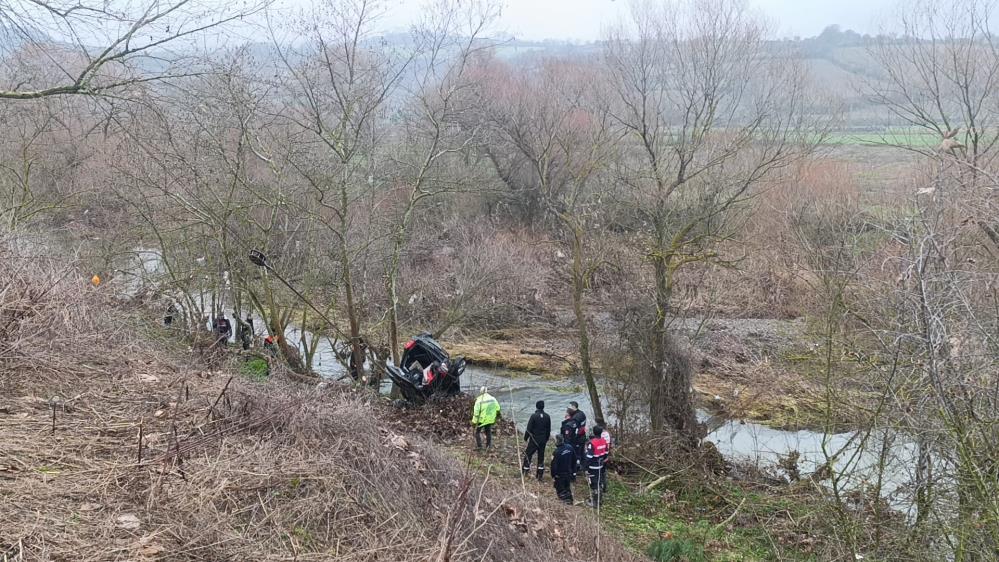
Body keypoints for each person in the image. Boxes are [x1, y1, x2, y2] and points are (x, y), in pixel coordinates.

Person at [522, 400, 551, 480]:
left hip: (534, 439)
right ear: (543, 407)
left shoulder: (534, 416)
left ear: (536, 406)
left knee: (528, 454)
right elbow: (548, 429)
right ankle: (540, 475)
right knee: (541, 457)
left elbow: (529, 428)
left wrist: (525, 438)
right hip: (543, 440)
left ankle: (525, 471)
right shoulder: (547, 416)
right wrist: (546, 438)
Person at [584, 425, 610, 508]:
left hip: (593, 467)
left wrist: (585, 467)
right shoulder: (604, 441)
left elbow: (589, 457)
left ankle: (595, 503)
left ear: (594, 432)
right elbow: (606, 453)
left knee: (594, 484)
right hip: (601, 465)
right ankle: (599, 500)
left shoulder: (592, 443)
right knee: (600, 482)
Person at [550, 434, 577, 505]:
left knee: (560, 489)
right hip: (569, 472)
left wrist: (554, 475)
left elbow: (553, 466)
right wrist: (574, 471)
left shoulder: (556, 452)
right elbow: (574, 460)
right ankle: (570, 501)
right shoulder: (570, 447)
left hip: (560, 475)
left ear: (557, 441)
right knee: (567, 487)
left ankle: (564, 504)